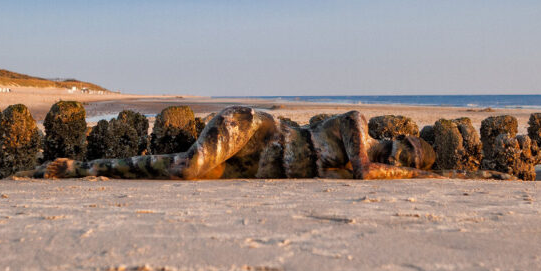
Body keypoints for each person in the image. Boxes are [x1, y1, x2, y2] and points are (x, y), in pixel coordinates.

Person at [34, 105, 435, 180]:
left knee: (179, 171)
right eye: (409, 154)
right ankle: (79, 168)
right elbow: (365, 171)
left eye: (409, 165)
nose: (403, 164)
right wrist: (438, 176)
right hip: (252, 129)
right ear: (400, 138)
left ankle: (85, 168)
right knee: (188, 166)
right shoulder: (355, 123)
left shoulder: (345, 167)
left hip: (254, 166)